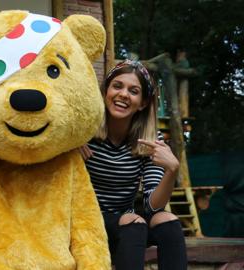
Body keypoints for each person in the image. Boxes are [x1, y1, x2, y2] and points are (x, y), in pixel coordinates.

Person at [80, 59, 187, 269]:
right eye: (117, 86)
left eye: (134, 90)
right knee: (134, 222)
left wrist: (171, 171)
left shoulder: (149, 139)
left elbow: (152, 206)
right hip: (86, 221)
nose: (123, 94)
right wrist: (69, 148)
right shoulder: (84, 130)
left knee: (167, 221)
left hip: (126, 226)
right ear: (105, 92)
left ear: (143, 102)